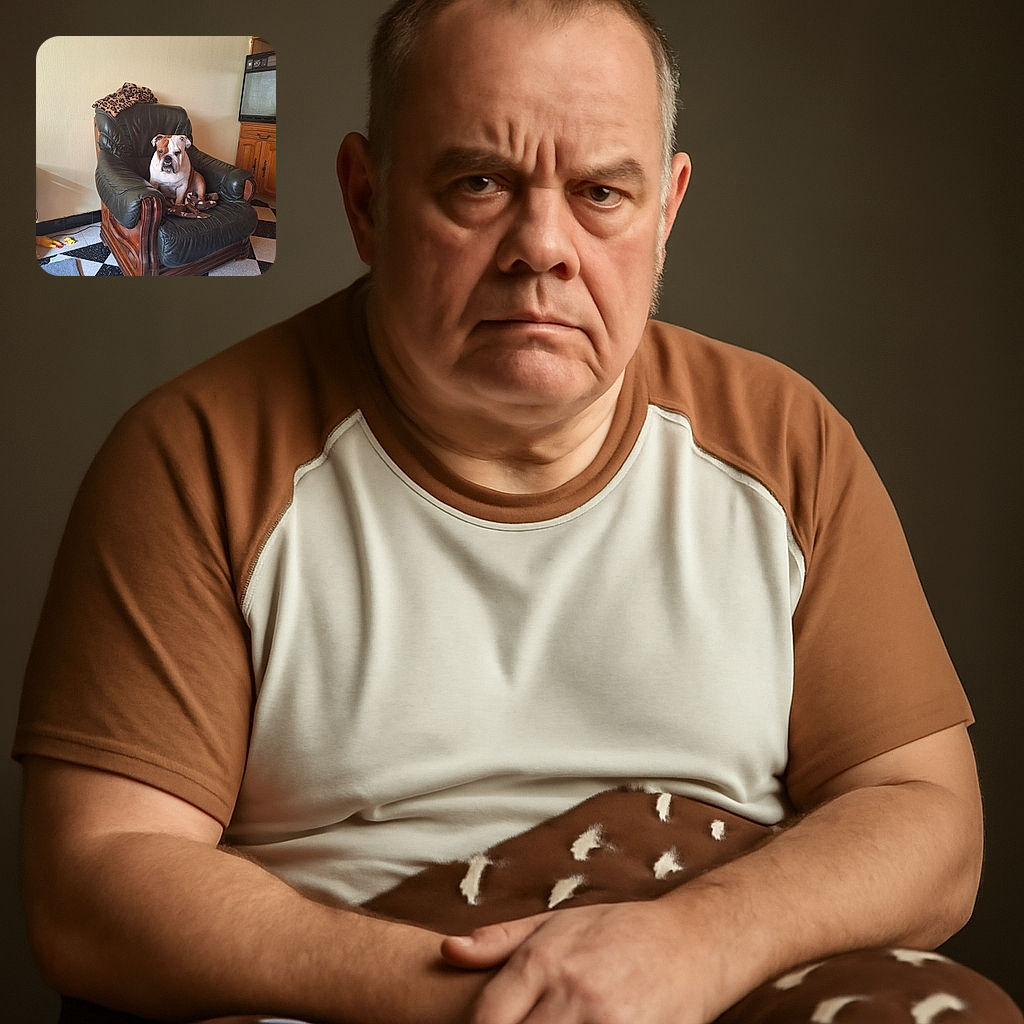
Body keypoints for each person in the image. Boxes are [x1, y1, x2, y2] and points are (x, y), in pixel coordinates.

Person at [14, 1, 1019, 1022]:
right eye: (479, 184)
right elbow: (96, 880)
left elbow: (929, 820)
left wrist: (699, 942)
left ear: (665, 210)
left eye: (600, 193)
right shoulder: (197, 457)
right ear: (368, 197)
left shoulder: (785, 443)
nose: (541, 246)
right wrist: (511, 1003)